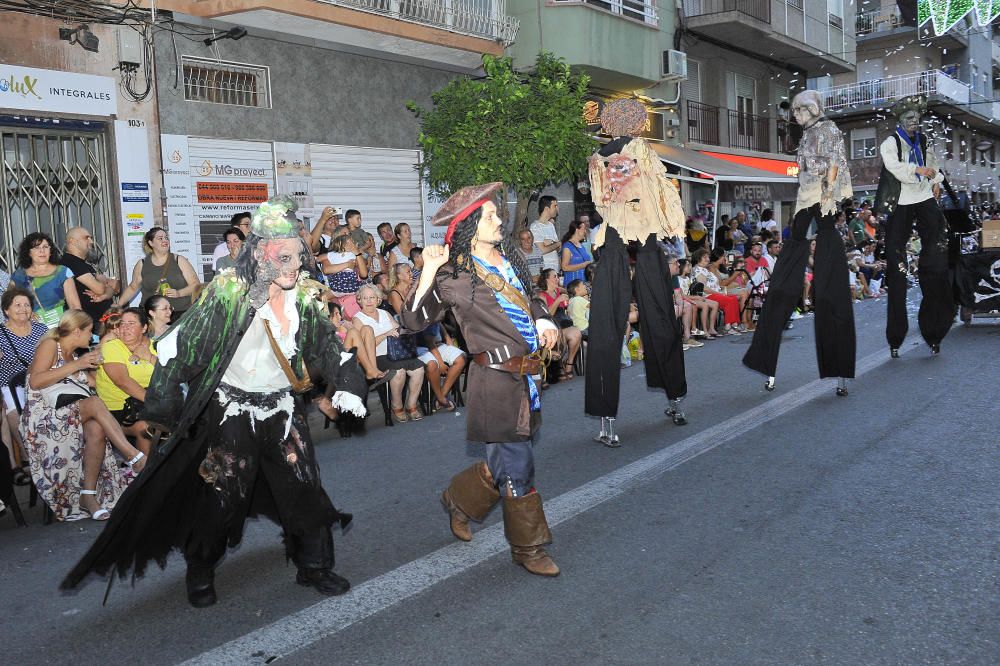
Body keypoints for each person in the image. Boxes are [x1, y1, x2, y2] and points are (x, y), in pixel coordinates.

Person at [62, 195, 369, 607]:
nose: (295, 265)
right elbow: (182, 353)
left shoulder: (305, 297)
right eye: (286, 257)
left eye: (298, 255)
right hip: (232, 414)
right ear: (261, 254)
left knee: (304, 490)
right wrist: (166, 415)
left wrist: (348, 383)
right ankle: (201, 568)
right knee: (223, 500)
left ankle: (314, 566)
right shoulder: (227, 295)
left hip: (281, 410)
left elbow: (330, 348)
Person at [400, 182, 561, 577]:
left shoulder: (509, 260)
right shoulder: (452, 275)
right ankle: (529, 548)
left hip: (527, 376)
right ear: (470, 224)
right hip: (493, 379)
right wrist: (429, 271)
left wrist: (542, 317)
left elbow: (534, 295)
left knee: (501, 461)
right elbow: (411, 321)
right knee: (519, 464)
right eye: (489, 215)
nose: (498, 219)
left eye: (496, 213)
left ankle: (458, 501)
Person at [585, 98, 689, 443]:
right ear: (636, 123)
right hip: (644, 241)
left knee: (606, 327)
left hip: (614, 239)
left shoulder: (598, 159)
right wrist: (673, 224)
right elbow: (662, 190)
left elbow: (600, 202)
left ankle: (605, 419)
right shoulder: (642, 150)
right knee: (660, 318)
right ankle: (674, 398)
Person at [743, 90, 856, 395]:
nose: (794, 115)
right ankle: (765, 359)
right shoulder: (806, 135)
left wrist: (829, 195)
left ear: (811, 109)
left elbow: (834, 163)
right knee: (781, 286)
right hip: (805, 205)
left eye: (798, 110)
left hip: (822, 203)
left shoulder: (828, 129)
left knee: (830, 289)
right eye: (792, 111)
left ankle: (839, 366)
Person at [22, 310, 145, 521]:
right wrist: (77, 365)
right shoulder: (51, 345)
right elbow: (35, 381)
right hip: (43, 418)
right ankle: (133, 455)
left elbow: (94, 385)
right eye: (89, 332)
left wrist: (97, 365)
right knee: (95, 404)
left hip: (69, 414)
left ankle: (88, 496)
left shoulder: (76, 355)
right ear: (77, 331)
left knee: (96, 427)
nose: (91, 337)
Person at [875, 95, 954, 356]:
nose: (914, 123)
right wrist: (917, 171)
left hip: (923, 198)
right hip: (901, 202)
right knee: (896, 270)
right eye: (909, 119)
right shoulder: (890, 143)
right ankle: (895, 336)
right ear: (900, 120)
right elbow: (895, 168)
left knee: (937, 258)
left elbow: (932, 164)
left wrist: (935, 179)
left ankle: (935, 328)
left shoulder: (922, 140)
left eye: (917, 120)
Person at [352, 283, 425, 422]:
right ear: (359, 300)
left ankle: (411, 405)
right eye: (365, 298)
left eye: (372, 297)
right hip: (376, 357)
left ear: (378, 299)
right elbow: (363, 346)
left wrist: (406, 330)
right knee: (399, 372)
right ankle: (396, 405)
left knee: (419, 368)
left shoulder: (384, 313)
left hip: (396, 353)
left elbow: (398, 330)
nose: (369, 301)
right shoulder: (358, 319)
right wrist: (385, 334)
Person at [0, 287, 48, 487]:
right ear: (6, 310)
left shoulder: (41, 329)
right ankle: (31, 459)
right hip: (9, 385)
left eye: (27, 305)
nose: (23, 309)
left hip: (40, 381)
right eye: (17, 305)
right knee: (12, 413)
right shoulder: (0, 333)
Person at [95, 308, 157, 456]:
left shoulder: (156, 346)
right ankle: (142, 470)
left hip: (147, 404)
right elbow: (122, 381)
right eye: (122, 324)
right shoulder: (112, 347)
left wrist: (149, 357)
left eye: (131, 323)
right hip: (118, 411)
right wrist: (154, 402)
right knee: (145, 427)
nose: (125, 328)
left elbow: (171, 374)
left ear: (144, 328)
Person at [117, 227, 201, 321]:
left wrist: (179, 293)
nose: (165, 240)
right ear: (151, 243)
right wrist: (118, 305)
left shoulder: (179, 260)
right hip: (151, 316)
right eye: (160, 238)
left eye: (166, 238)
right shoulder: (142, 264)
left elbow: (196, 285)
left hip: (178, 315)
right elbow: (133, 287)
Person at [11, 232, 82, 328]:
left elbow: (74, 306)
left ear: (51, 250)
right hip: (28, 328)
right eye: (36, 248)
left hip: (59, 328)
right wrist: (24, 312)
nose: (42, 251)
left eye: (45, 247)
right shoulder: (19, 275)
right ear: (28, 252)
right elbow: (9, 304)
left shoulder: (63, 272)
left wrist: (78, 326)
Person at [62, 227, 119, 323]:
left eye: (90, 238)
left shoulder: (83, 264)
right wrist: (102, 280)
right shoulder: (70, 262)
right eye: (86, 238)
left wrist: (104, 292)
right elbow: (100, 289)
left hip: (102, 321)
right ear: (72, 241)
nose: (91, 241)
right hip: (89, 323)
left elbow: (113, 289)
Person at [535, 269, 582, 382]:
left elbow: (569, 293)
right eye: (554, 276)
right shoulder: (542, 295)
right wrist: (558, 300)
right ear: (547, 279)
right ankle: (559, 366)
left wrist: (564, 296)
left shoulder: (558, 291)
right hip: (552, 323)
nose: (557, 279)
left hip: (564, 322)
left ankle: (569, 364)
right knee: (559, 335)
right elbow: (546, 315)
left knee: (576, 333)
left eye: (557, 276)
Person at [530, 195, 562, 273]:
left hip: (555, 270)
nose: (557, 209)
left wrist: (551, 243)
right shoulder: (535, 226)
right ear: (547, 209)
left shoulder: (551, 225)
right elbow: (542, 250)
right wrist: (556, 244)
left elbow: (559, 248)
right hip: (544, 271)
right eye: (555, 206)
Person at [560, 220, 593, 286]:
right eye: (584, 229)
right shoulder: (567, 246)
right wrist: (583, 265)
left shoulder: (582, 246)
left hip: (583, 284)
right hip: (572, 285)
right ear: (577, 230)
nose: (585, 231)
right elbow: (564, 267)